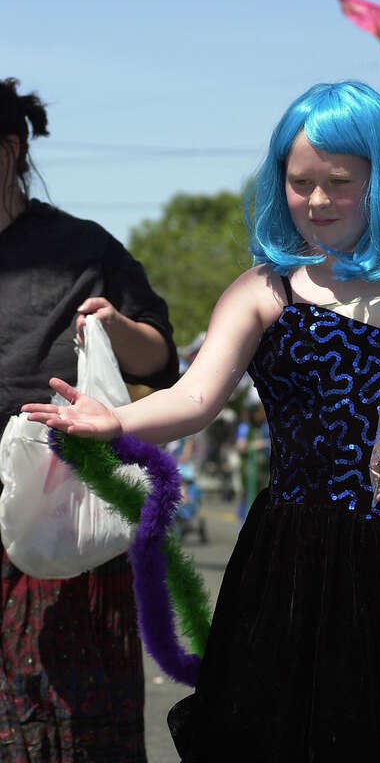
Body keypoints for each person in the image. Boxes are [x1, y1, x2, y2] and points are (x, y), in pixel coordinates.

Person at [23, 81, 380, 762]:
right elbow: (196, 397)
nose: (316, 200)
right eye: (299, 182)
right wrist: (113, 420)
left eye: (338, 182)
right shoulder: (266, 287)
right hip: (301, 561)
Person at [0, 78, 179, 762]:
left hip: (61, 527)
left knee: (70, 736)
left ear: (9, 149)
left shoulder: (81, 248)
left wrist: (115, 325)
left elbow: (161, 362)